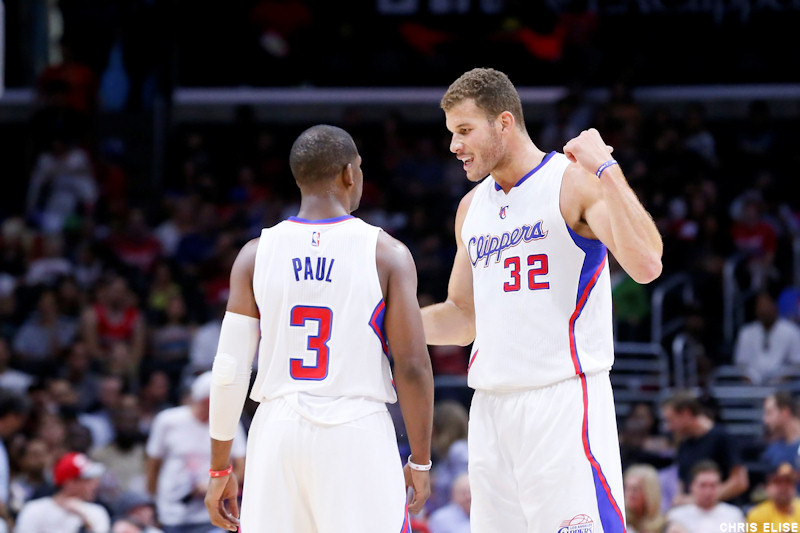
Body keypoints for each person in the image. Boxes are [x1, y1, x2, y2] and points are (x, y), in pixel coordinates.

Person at [420, 67, 662, 532]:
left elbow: (648, 263)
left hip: (562, 401)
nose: (455, 145)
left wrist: (607, 170)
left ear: (504, 123)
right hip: (490, 408)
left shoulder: (571, 182)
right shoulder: (471, 208)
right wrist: (394, 320)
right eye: (452, 133)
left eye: (465, 130)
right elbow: (462, 316)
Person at [204, 124, 434, 532]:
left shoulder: (254, 254)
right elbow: (413, 367)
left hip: (277, 429)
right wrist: (419, 459)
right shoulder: (388, 253)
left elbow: (228, 368)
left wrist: (220, 469)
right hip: (355, 429)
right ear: (349, 173)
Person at [146, 371, 246, 533]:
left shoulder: (231, 424)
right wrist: (152, 503)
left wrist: (216, 482)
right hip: (171, 510)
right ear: (208, 401)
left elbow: (241, 467)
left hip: (210, 514)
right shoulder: (168, 420)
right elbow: (153, 466)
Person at [661, 391, 749, 504]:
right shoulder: (683, 444)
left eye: (670, 420)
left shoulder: (722, 437)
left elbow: (740, 482)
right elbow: (682, 484)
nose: (669, 427)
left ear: (686, 413)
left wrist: (702, 499)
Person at [14, 451, 110, 533]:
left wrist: (82, 516)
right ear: (69, 482)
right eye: (87, 480)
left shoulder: (97, 512)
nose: (94, 485)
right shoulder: (35, 509)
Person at [733, 291, 800, 385]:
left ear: (774, 306)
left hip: (783, 388)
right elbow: (741, 364)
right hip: (751, 387)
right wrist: (752, 386)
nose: (764, 309)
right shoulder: (746, 332)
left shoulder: (792, 331)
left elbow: (796, 363)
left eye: (766, 305)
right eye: (760, 306)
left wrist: (779, 383)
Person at [665, 461, 745, 533]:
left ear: (720, 486)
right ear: (692, 486)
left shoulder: (734, 515)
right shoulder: (676, 516)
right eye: (703, 485)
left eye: (712, 485)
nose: (708, 491)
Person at [746, 462, 800, 527]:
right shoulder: (757, 515)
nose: (783, 487)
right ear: (767, 486)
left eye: (788, 481)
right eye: (778, 482)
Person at [623, 464, 667, 533]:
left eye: (635, 489)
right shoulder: (620, 521)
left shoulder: (665, 527)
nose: (629, 494)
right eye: (627, 488)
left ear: (649, 493)